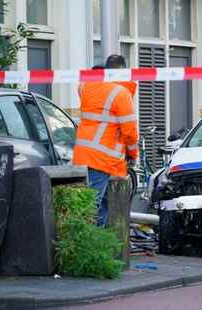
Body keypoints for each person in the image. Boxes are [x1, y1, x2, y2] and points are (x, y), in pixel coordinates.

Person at [73, 55, 139, 227]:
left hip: (82, 155)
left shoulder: (86, 87)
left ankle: (95, 246)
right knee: (93, 208)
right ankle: (89, 249)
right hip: (102, 159)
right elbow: (130, 132)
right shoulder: (121, 94)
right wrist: (133, 154)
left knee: (93, 206)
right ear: (124, 71)